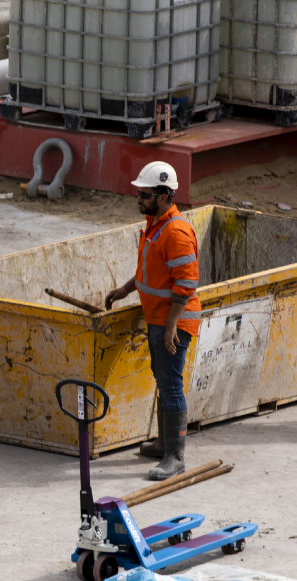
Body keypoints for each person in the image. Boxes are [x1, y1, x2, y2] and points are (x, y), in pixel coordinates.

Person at [104, 162, 202, 480]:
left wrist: (171, 325)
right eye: (138, 193)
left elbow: (186, 285)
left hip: (173, 321)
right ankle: (163, 444)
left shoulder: (176, 232)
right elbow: (150, 272)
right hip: (159, 317)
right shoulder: (154, 225)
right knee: (163, 380)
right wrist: (125, 289)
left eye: (144, 195)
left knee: (171, 383)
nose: (138, 199)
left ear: (163, 196)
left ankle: (175, 457)